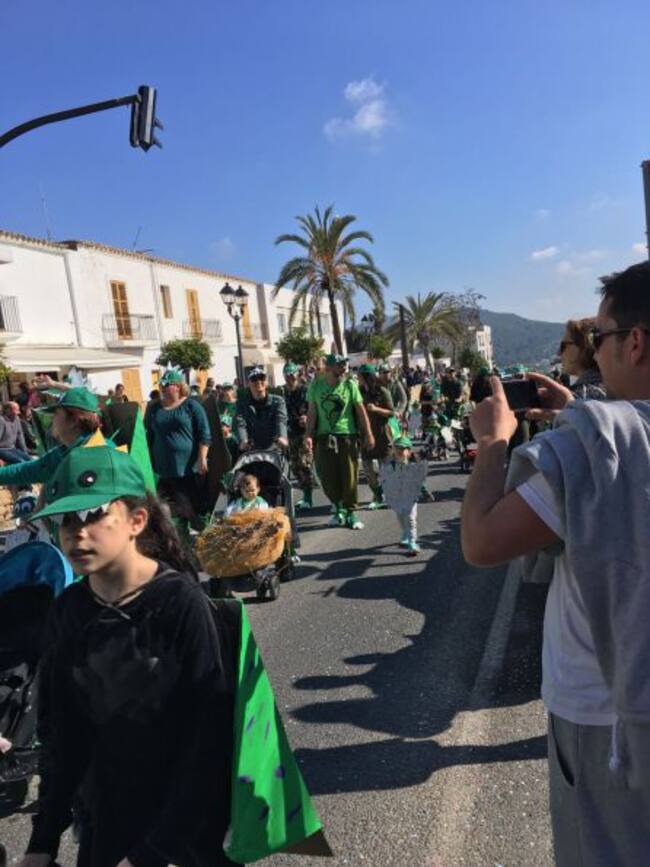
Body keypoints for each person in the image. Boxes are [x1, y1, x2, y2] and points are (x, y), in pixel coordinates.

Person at [461, 260, 650, 866]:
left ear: (636, 342)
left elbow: (483, 542)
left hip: (608, 721)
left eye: (602, 338)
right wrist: (576, 410)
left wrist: (492, 443)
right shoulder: (601, 433)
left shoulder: (591, 447)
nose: (596, 350)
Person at [18, 442, 236, 867]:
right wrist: (42, 842)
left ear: (137, 519)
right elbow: (62, 735)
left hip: (188, 830)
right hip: (108, 823)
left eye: (92, 514)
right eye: (64, 520)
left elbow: (210, 734)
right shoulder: (68, 611)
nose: (76, 531)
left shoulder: (180, 602)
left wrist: (162, 846)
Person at [305, 354, 374, 530]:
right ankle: (338, 508)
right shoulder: (316, 386)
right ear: (329, 367)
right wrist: (308, 435)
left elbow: (360, 411)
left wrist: (368, 434)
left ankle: (350, 512)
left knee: (349, 476)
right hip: (323, 437)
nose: (344, 367)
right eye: (340, 365)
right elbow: (312, 413)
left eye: (345, 364)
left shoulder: (350, 384)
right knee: (326, 476)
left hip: (347, 436)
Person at [146, 369, 212, 538]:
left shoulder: (191, 406)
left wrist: (202, 457)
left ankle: (204, 537)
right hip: (163, 468)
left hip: (187, 468)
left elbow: (204, 433)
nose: (162, 388)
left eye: (166, 385)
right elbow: (148, 434)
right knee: (168, 510)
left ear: (177, 386)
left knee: (191, 506)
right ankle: (179, 541)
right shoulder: (154, 408)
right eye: (161, 385)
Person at [380, 436, 428, 556]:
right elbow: (385, 479)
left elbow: (419, 480)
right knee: (401, 517)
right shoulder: (389, 465)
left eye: (403, 448)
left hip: (410, 496)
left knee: (410, 518)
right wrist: (380, 492)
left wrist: (424, 490)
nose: (400, 451)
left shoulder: (414, 465)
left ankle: (412, 542)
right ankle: (405, 533)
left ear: (409, 451)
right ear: (393, 450)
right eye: (397, 448)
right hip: (396, 496)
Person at [357, 363, 395, 510]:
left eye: (360, 375)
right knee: (367, 468)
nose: (358, 378)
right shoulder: (358, 392)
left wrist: (376, 408)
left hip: (382, 434)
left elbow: (391, 412)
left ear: (367, 377)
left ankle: (385, 495)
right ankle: (377, 493)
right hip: (366, 436)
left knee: (385, 468)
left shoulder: (382, 391)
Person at [281, 362, 315, 510]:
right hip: (290, 432)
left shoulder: (305, 390)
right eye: (288, 375)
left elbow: (313, 408)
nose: (290, 377)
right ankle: (305, 494)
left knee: (305, 464)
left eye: (292, 374)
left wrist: (307, 417)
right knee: (295, 466)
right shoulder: (282, 392)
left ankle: (308, 496)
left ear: (297, 374)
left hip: (304, 432)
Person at [233, 368, 288, 452]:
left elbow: (281, 420)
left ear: (266, 382)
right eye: (254, 379)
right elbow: (241, 424)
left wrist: (282, 437)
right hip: (252, 450)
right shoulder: (242, 404)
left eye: (261, 378)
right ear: (248, 383)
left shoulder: (278, 401)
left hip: (274, 449)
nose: (258, 381)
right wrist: (243, 440)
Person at [559, 317, 608, 400]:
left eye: (563, 346)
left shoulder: (582, 395)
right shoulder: (614, 390)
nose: (559, 353)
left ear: (579, 348)